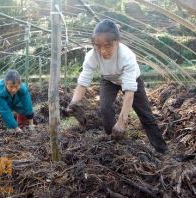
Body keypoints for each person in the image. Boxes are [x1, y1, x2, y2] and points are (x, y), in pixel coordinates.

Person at [68, 19, 168, 154]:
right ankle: (112, 139)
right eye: (98, 45)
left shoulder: (126, 56)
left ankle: (162, 150)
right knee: (105, 108)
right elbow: (83, 82)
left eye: (107, 46)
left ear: (117, 41)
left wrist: (122, 122)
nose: (102, 50)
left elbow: (129, 92)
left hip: (133, 81)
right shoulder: (92, 55)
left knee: (145, 115)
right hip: (109, 80)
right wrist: (73, 103)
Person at [0, 69, 34, 139]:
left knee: (23, 108)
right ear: (6, 83)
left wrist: (31, 125)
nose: (14, 89)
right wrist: (15, 127)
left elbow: (28, 105)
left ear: (20, 84)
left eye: (16, 86)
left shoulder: (23, 88)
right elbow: (5, 111)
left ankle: (22, 127)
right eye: (11, 87)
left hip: (11, 99)